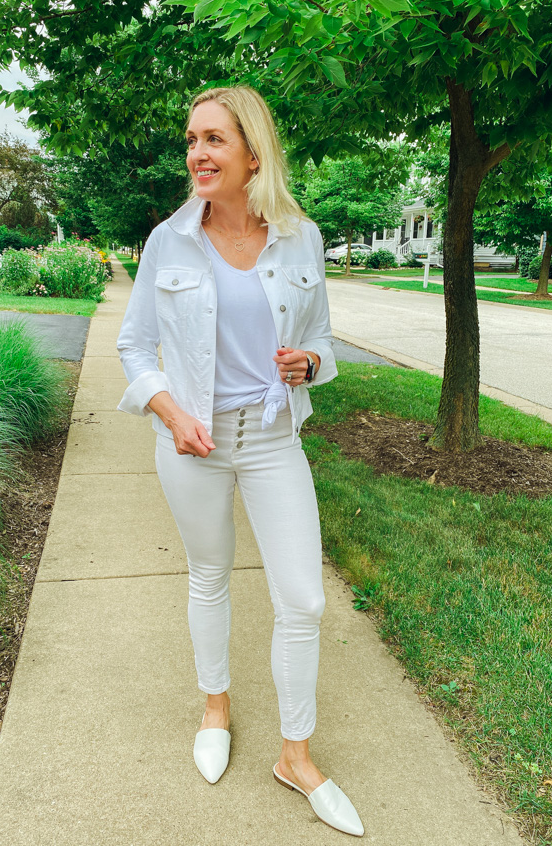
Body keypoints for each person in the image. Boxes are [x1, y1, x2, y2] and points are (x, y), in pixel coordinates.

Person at [116, 85, 364, 838]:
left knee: (305, 599)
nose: (197, 152)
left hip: (272, 437)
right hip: (192, 440)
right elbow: (133, 344)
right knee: (210, 573)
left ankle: (296, 754)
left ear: (252, 152)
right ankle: (215, 705)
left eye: (214, 139)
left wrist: (308, 363)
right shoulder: (169, 240)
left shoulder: (301, 237)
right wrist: (170, 410)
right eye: (191, 139)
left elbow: (325, 342)